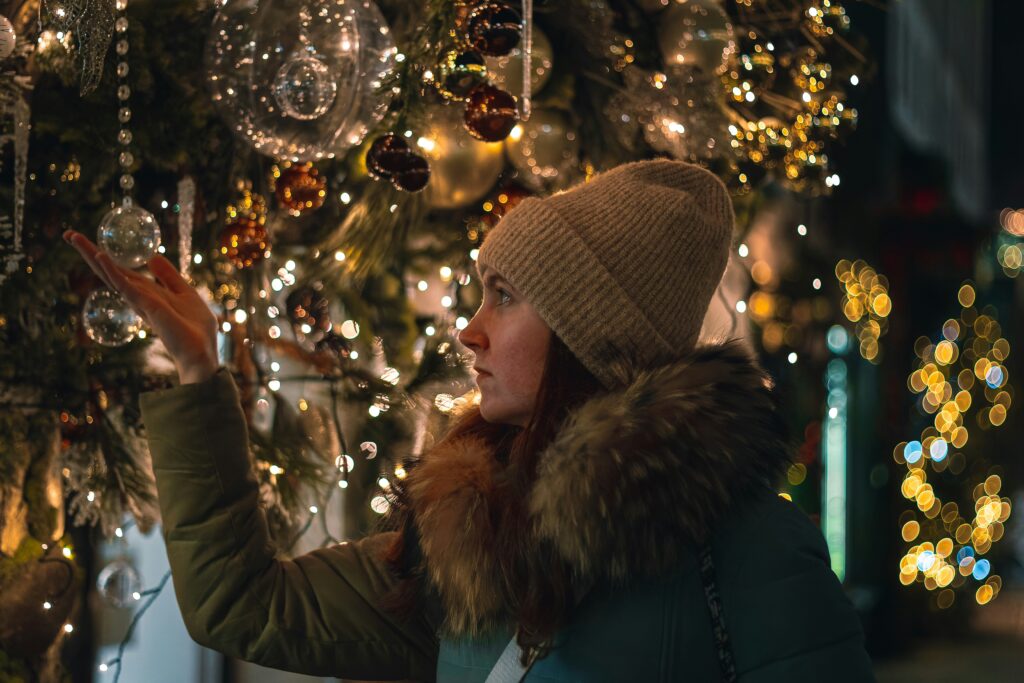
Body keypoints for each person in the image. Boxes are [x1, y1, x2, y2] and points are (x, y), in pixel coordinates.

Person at [66, 159, 875, 682]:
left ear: (590, 332)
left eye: (508, 295)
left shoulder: (749, 548)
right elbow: (244, 603)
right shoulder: (471, 536)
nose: (469, 328)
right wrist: (202, 374)